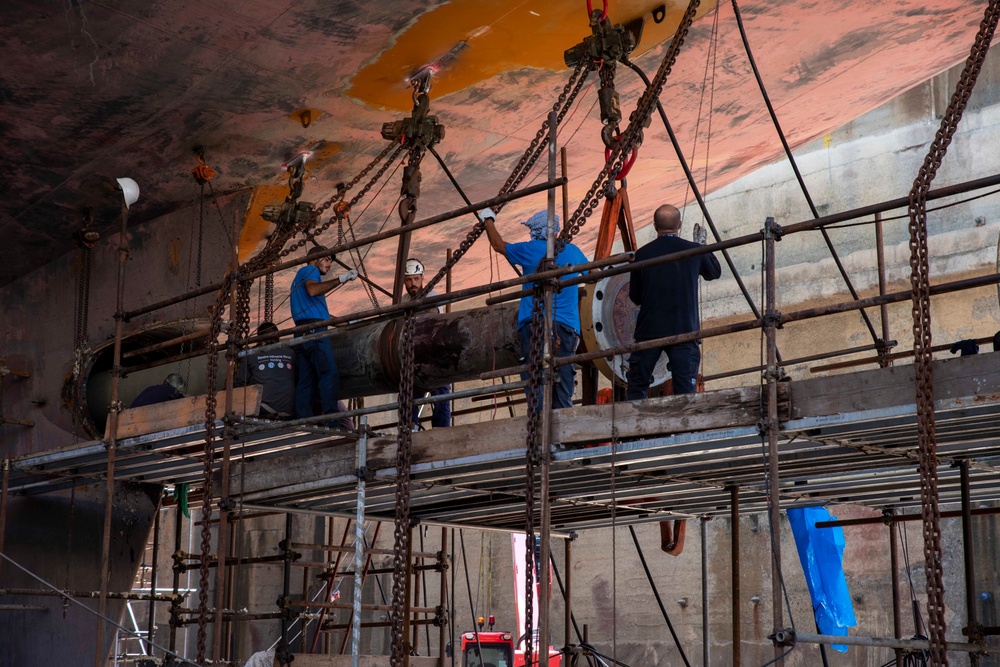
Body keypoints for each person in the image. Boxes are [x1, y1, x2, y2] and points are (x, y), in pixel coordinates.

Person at [479, 208, 588, 410]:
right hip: (567, 328)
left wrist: (488, 220)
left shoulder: (530, 249)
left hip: (534, 326)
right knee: (563, 384)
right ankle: (562, 435)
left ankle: (538, 430)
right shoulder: (573, 251)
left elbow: (498, 245)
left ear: (536, 231)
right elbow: (595, 274)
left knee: (535, 382)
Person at [626, 204, 721, 400]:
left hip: (649, 330)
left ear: (654, 226)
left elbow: (635, 296)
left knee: (638, 384)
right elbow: (714, 272)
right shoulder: (692, 250)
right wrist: (703, 247)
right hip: (684, 329)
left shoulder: (641, 255)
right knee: (685, 388)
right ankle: (685, 429)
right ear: (679, 224)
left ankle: (636, 427)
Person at [289, 246, 357, 424]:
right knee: (328, 373)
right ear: (315, 258)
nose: (329, 264)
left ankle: (304, 419)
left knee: (307, 378)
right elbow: (313, 290)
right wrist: (342, 279)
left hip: (301, 331)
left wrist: (350, 322)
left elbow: (322, 315)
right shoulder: (309, 270)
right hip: (315, 331)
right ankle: (332, 420)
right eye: (326, 259)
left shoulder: (300, 279)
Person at [401, 257, 450, 429]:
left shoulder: (432, 295)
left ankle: (441, 430)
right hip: (416, 355)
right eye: (408, 279)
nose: (412, 283)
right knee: (409, 393)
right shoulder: (404, 300)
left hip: (435, 353)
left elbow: (431, 312)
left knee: (441, 394)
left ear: (422, 278)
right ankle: (411, 427)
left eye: (416, 279)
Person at [235, 322, 295, 418]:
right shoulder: (291, 353)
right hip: (291, 408)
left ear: (259, 339)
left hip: (266, 408)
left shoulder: (251, 354)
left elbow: (240, 383)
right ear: (278, 337)